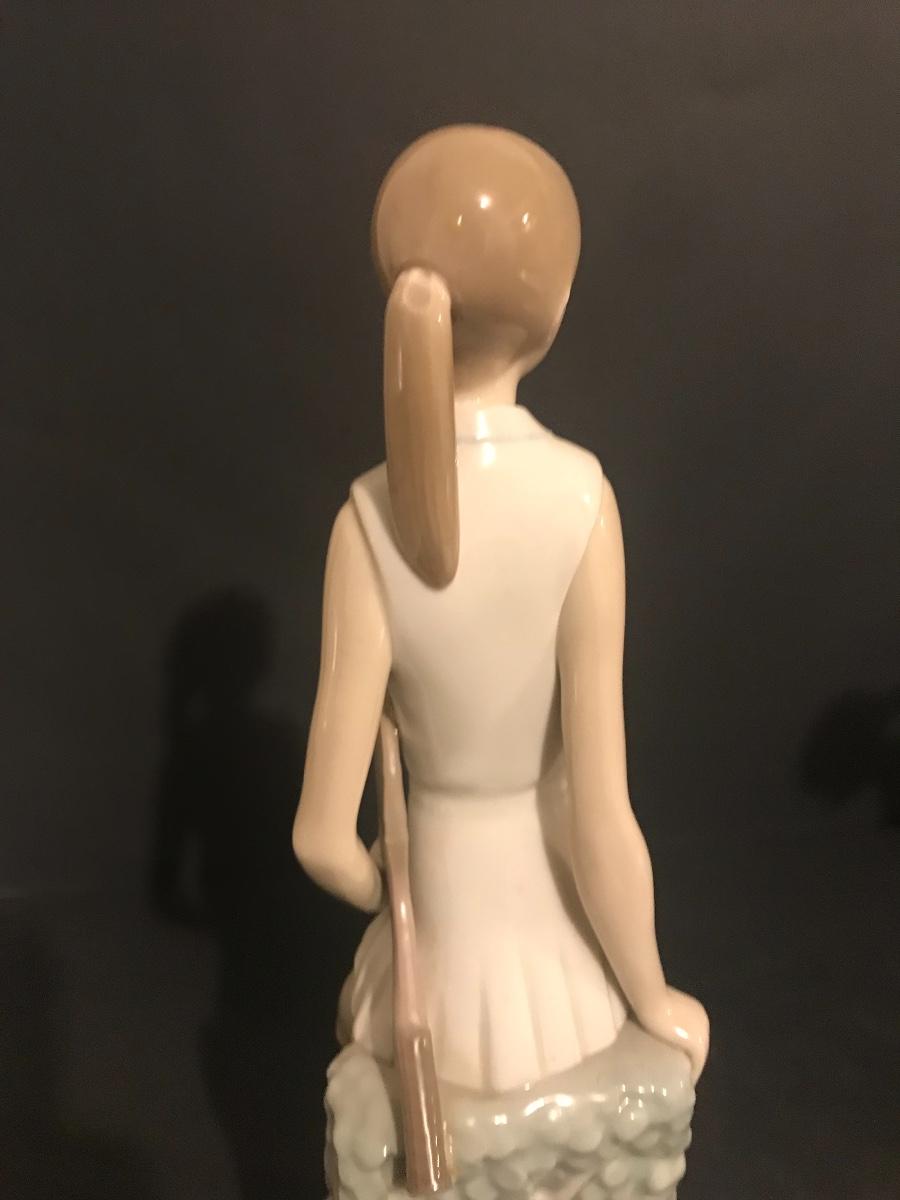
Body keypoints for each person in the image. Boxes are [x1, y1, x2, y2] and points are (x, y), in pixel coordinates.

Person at [292, 125, 708, 1094]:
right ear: (553, 309)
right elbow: (600, 815)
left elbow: (319, 839)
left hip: (424, 973)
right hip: (551, 980)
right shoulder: (582, 501)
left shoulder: (362, 522)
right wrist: (653, 996)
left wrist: (389, 889)